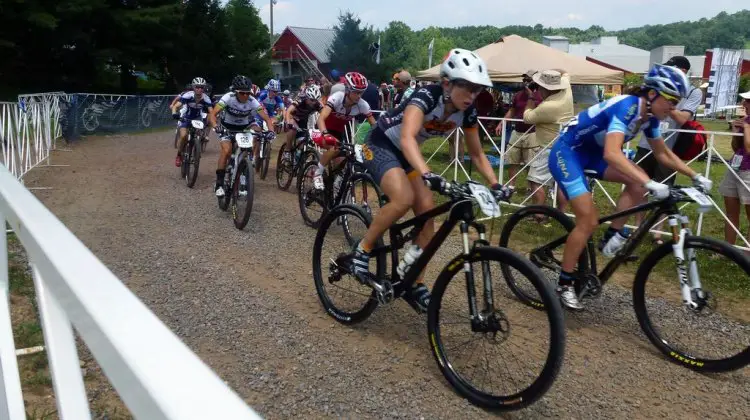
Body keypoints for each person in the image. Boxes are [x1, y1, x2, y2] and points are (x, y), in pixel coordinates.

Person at [345, 49, 510, 313]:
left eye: (477, 90)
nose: (472, 96)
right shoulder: (426, 96)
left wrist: (495, 184)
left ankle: (414, 281)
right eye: (466, 87)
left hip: (408, 154)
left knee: (428, 218)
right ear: (447, 83)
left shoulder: (466, 112)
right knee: (402, 199)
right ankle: (362, 251)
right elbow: (408, 138)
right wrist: (428, 174)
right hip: (381, 143)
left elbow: (478, 154)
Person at [548, 64, 713, 311]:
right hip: (568, 152)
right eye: (670, 100)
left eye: (677, 101)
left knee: (637, 180)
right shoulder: (627, 106)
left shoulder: (650, 119)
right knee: (588, 220)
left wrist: (695, 175)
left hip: (592, 154)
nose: (673, 107)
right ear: (652, 94)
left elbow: (664, 153)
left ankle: (612, 235)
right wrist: (649, 183)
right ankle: (564, 284)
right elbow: (613, 153)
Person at [633, 56, 703, 245]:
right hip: (645, 144)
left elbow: (683, 119)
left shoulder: (693, 93)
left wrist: (667, 102)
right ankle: (637, 227)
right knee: (639, 186)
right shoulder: (655, 95)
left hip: (669, 146)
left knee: (665, 190)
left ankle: (658, 233)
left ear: (684, 72)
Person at [208, 75, 276, 197]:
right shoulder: (228, 98)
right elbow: (213, 114)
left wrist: (271, 131)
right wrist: (215, 125)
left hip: (244, 127)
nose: (245, 96)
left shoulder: (252, 101)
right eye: (242, 93)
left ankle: (244, 174)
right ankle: (219, 184)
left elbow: (266, 118)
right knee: (226, 150)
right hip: (227, 127)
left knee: (253, 139)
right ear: (236, 92)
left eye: (248, 93)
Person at [313, 72, 378, 190]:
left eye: (361, 92)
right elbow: (321, 118)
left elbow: (374, 125)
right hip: (322, 129)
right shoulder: (337, 97)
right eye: (356, 92)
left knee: (344, 160)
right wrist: (325, 134)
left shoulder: (363, 105)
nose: (359, 96)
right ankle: (317, 173)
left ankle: (335, 186)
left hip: (338, 133)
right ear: (348, 89)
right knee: (334, 148)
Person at [522, 69, 574, 212]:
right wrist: (551, 74)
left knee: (535, 180)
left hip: (548, 148)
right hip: (566, 145)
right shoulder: (566, 89)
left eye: (539, 86)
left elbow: (527, 118)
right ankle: (561, 213)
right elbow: (565, 72)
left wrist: (531, 98)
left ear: (545, 88)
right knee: (561, 182)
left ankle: (539, 214)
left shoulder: (548, 106)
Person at [495, 70, 544, 193]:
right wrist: (502, 122)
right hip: (517, 131)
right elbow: (512, 110)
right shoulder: (518, 95)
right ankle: (511, 186)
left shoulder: (541, 96)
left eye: (528, 80)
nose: (525, 82)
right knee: (512, 159)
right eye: (524, 80)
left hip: (532, 132)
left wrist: (531, 95)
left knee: (531, 162)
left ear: (535, 81)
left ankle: (529, 187)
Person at [719, 91, 750, 247]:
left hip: (748, 172)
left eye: (748, 101)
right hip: (735, 167)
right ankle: (727, 249)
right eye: (744, 100)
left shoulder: (747, 123)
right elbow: (736, 148)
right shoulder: (746, 120)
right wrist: (735, 132)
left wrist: (746, 127)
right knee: (731, 213)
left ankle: (747, 252)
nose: (744, 104)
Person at [170, 77, 213, 167]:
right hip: (186, 117)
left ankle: (195, 149)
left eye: (202, 87)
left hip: (197, 118)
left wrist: (212, 122)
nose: (199, 89)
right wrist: (174, 114)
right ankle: (179, 155)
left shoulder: (206, 99)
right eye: (197, 87)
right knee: (183, 136)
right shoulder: (188, 95)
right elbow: (175, 106)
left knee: (199, 135)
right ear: (193, 87)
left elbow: (211, 112)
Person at [283, 84, 323, 158]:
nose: (313, 102)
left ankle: (298, 159)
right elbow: (288, 111)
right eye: (311, 100)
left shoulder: (317, 104)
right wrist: (288, 122)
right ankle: (287, 150)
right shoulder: (300, 99)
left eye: (315, 100)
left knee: (302, 145)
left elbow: (324, 115)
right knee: (293, 129)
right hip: (293, 118)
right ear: (307, 98)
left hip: (303, 122)